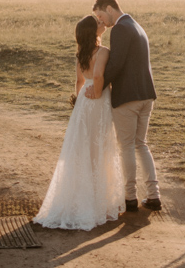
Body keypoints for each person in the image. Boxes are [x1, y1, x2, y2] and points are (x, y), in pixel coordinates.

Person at [33, 15, 124, 230]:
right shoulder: (103, 52)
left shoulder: (81, 54)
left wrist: (80, 103)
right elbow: (99, 74)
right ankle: (97, 198)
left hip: (83, 100)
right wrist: (99, 92)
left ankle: (81, 195)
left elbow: (79, 81)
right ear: (93, 32)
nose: (103, 25)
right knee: (99, 145)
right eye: (99, 24)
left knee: (82, 145)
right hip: (97, 99)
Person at [85, 0, 161, 212]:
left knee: (127, 146)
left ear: (109, 8)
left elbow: (116, 65)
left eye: (101, 15)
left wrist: (97, 87)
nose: (103, 22)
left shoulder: (120, 29)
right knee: (141, 144)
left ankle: (130, 198)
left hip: (128, 97)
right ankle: (154, 195)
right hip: (146, 95)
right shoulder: (136, 25)